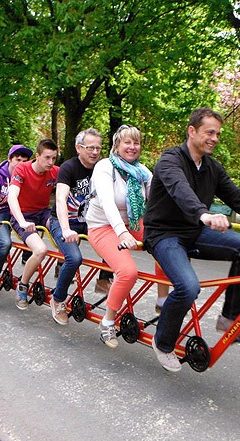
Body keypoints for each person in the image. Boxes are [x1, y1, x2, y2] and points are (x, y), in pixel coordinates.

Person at [143, 107, 240, 372]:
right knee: (188, 287)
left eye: (217, 134)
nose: (214, 138)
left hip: (194, 231)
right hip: (164, 235)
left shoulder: (212, 167)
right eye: (209, 132)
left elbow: (238, 198)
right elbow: (181, 190)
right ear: (192, 131)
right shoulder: (170, 161)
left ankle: (230, 318)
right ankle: (164, 342)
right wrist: (203, 213)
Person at [85, 125, 155, 348]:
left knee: (167, 245)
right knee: (127, 271)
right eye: (127, 142)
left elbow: (155, 206)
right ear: (116, 145)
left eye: (136, 142)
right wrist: (122, 232)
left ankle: (164, 302)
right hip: (103, 226)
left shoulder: (144, 173)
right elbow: (107, 203)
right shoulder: (105, 168)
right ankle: (107, 322)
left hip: (132, 223)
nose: (132, 147)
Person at [48, 128, 113, 325]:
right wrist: (66, 229)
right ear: (78, 148)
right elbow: (60, 199)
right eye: (90, 147)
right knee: (74, 257)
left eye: (98, 148)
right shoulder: (69, 167)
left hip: (89, 222)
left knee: (114, 244)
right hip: (63, 221)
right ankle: (58, 299)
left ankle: (103, 279)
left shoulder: (101, 168)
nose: (94, 152)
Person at [8, 139, 60, 310]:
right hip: (23, 215)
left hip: (43, 212)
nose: (50, 163)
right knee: (40, 250)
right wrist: (22, 221)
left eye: (54, 158)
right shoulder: (22, 169)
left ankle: (61, 271)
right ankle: (23, 285)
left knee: (66, 235)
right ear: (37, 156)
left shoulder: (55, 171)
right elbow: (12, 196)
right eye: (47, 158)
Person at [0, 145, 32, 295]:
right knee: (5, 243)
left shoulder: (24, 174)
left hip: (14, 212)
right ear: (10, 159)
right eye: (17, 160)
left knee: (34, 231)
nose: (21, 164)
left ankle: (26, 259)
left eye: (24, 161)